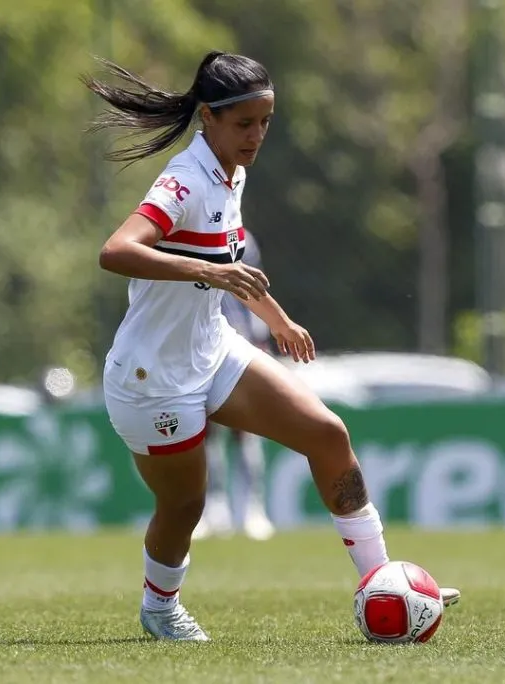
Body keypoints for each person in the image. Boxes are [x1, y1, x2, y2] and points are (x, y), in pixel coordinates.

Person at [84, 50, 460, 642]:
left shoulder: (233, 170)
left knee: (328, 435)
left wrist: (276, 318)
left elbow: (228, 264)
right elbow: (116, 251)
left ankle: (381, 581)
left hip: (212, 350)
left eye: (265, 122)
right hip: (150, 376)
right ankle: (159, 607)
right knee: (186, 507)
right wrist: (207, 274)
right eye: (244, 124)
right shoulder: (183, 180)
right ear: (207, 117)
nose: (257, 135)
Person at [191, 228, 275, 542]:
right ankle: (214, 508)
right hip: (200, 346)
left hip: (239, 342)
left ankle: (254, 509)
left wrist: (261, 337)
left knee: (247, 432)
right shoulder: (188, 235)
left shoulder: (242, 239)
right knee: (206, 433)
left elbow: (254, 292)